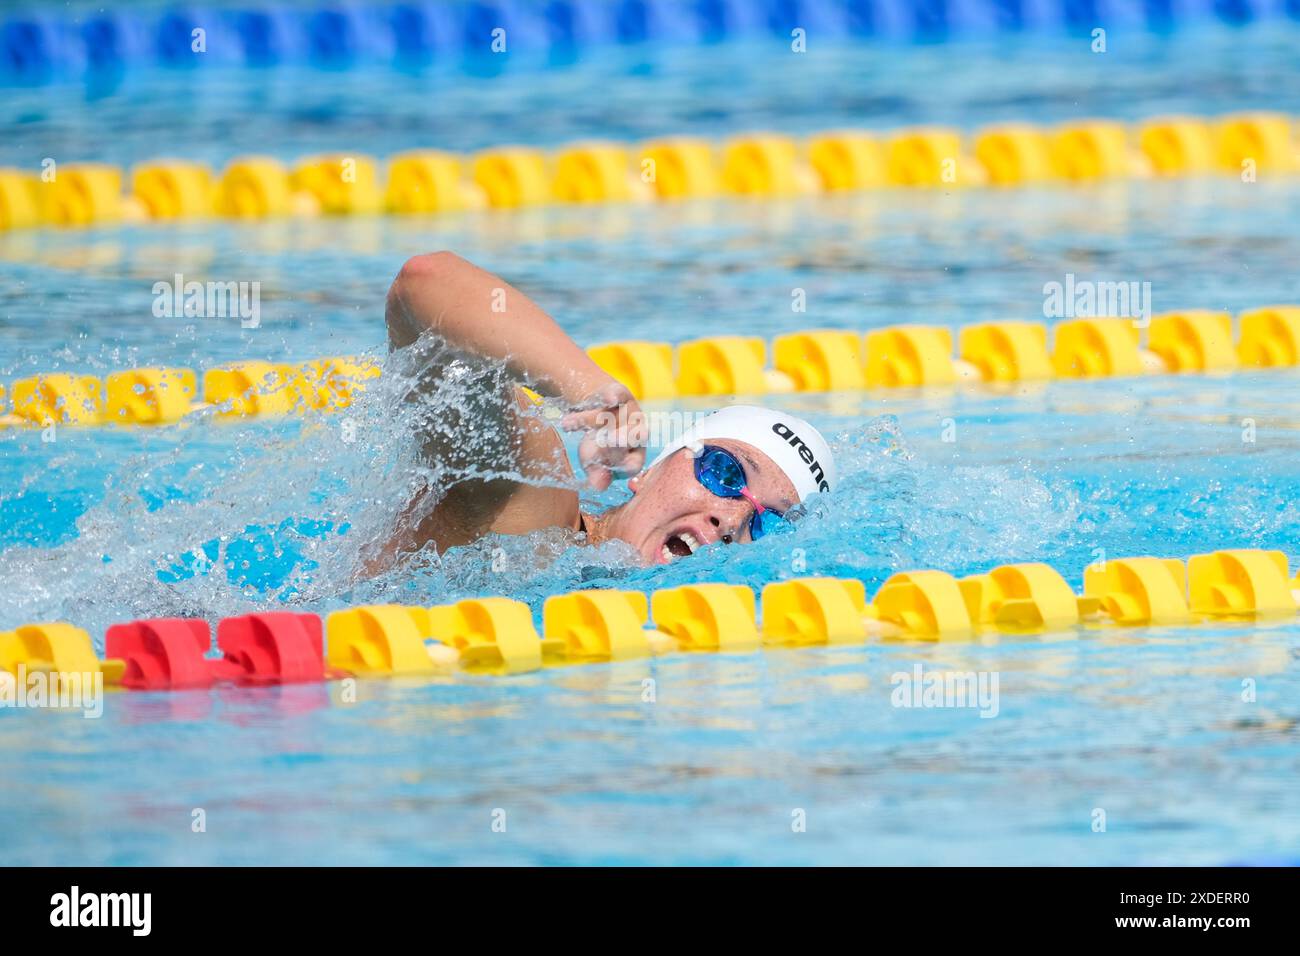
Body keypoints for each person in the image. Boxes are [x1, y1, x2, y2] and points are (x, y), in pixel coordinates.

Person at [380, 251, 836, 568]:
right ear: (651, 471)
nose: (734, 519)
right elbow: (424, 282)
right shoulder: (537, 513)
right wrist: (591, 390)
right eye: (726, 473)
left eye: (769, 523)